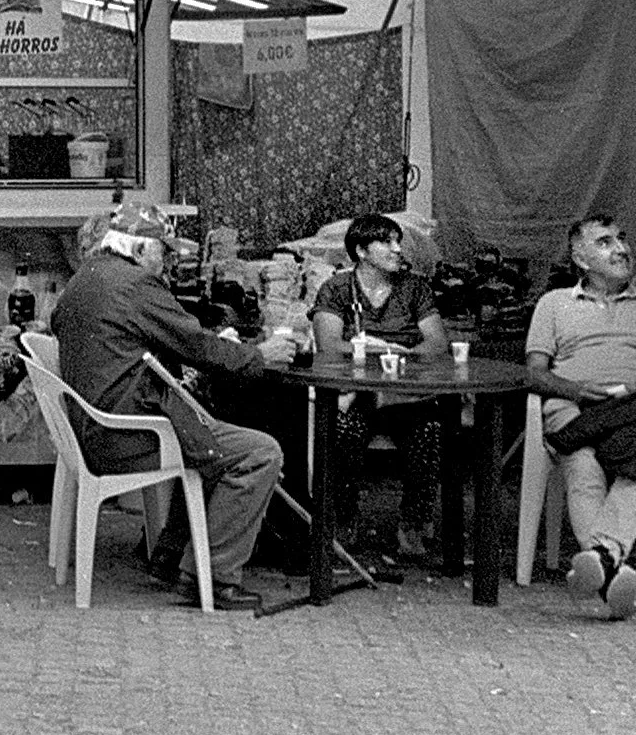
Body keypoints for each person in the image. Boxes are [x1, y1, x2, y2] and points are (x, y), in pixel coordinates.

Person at [49, 201, 299, 611]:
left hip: (96, 428)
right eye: (163, 251)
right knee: (258, 453)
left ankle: (168, 555)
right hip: (128, 435)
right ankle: (211, 577)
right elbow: (196, 346)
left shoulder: (87, 278)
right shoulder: (135, 285)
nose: (166, 261)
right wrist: (260, 355)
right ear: (140, 248)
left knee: (207, 437)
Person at [524, 215, 636, 618]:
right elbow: (534, 372)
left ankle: (601, 561)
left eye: (622, 238)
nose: (621, 248)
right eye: (604, 243)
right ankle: (609, 569)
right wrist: (576, 390)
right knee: (581, 465)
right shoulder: (554, 304)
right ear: (580, 259)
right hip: (574, 405)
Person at [307, 213, 450, 562]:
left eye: (397, 241)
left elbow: (436, 344)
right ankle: (343, 520)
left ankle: (413, 524)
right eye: (386, 242)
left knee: (429, 432)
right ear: (361, 250)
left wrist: (401, 359)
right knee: (343, 431)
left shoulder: (414, 288)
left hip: (405, 394)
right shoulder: (337, 289)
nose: (396, 249)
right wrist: (381, 349)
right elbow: (328, 345)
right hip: (357, 394)